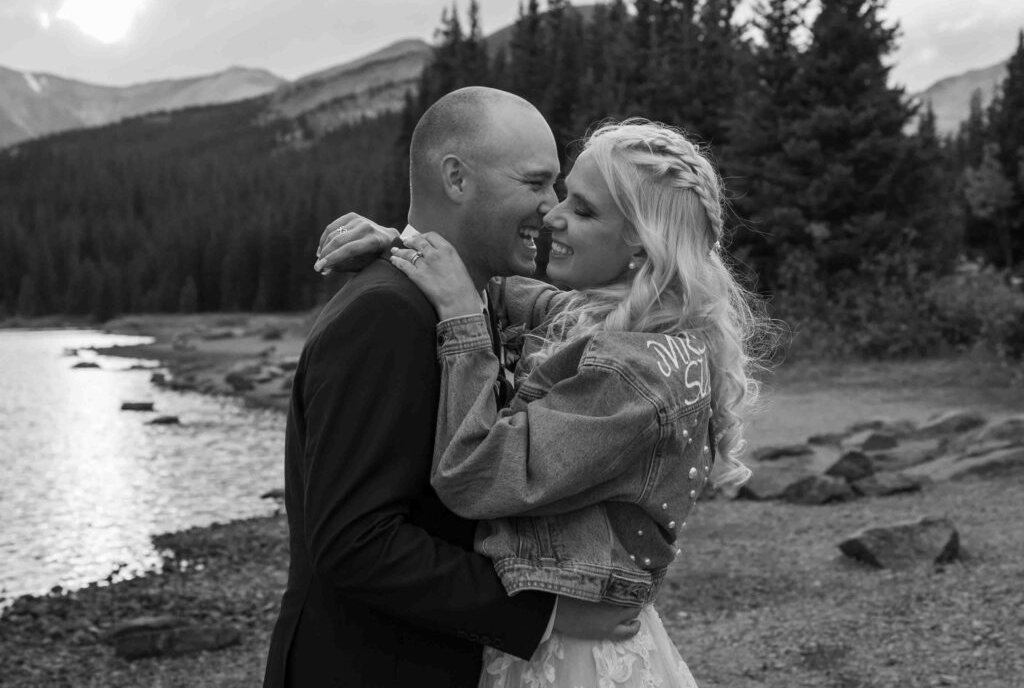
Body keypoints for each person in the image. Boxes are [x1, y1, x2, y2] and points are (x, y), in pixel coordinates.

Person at [315, 118, 769, 687]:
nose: (553, 214)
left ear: (642, 242)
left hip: (575, 654)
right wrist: (406, 243)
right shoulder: (617, 326)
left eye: (582, 209)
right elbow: (509, 292)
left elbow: (476, 475)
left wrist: (460, 320)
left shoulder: (630, 372)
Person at [263, 87, 642, 688]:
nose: (552, 208)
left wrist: (400, 242)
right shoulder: (385, 314)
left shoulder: (480, 296)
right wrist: (544, 612)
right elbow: (353, 542)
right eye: (536, 182)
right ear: (457, 179)